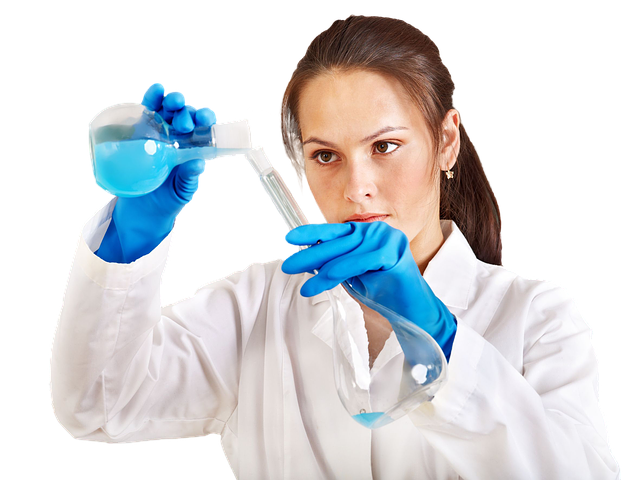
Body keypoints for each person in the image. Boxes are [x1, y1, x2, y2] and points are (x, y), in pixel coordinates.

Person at [49, 14, 620, 479]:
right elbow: (99, 406)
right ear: (296, 166)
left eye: (386, 146)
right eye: (326, 156)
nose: (356, 186)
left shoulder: (537, 316)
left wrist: (440, 338)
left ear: (446, 142)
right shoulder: (256, 306)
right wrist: (132, 238)